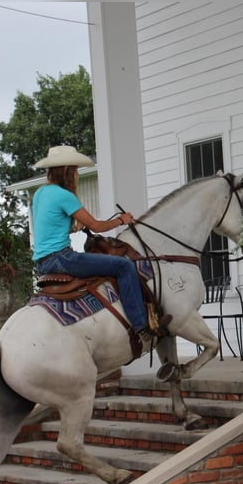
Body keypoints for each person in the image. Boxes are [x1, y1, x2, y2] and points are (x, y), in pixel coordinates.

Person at [32, 145, 157, 347]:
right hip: (62, 259)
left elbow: (49, 226)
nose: (76, 174)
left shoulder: (40, 193)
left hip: (43, 262)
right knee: (123, 266)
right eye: (74, 170)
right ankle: (141, 327)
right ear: (66, 171)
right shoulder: (65, 196)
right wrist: (122, 220)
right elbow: (97, 226)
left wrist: (72, 229)